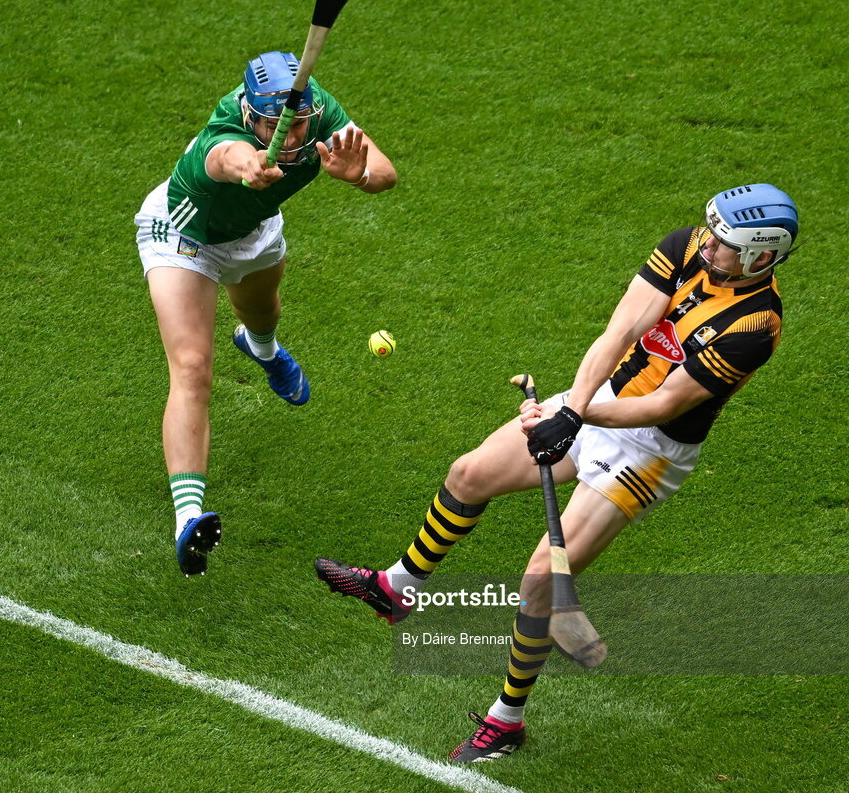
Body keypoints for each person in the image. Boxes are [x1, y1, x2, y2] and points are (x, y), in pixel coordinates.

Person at [315, 183, 799, 761]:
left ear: (762, 256)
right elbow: (618, 333)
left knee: (542, 576)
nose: (708, 246)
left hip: (649, 448)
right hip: (603, 395)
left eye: (724, 244)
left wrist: (574, 416)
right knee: (469, 474)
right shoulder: (685, 246)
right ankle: (397, 589)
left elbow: (664, 405)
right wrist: (571, 410)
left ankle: (506, 721)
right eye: (710, 233)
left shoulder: (754, 327)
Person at [135, 51, 396, 576]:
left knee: (263, 310)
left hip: (253, 232)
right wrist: (248, 164)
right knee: (191, 367)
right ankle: (189, 517)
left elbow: (385, 172)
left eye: (297, 123)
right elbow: (224, 158)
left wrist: (358, 175)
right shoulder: (225, 133)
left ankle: (261, 348)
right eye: (276, 127)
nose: (293, 137)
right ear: (251, 115)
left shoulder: (319, 110)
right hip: (183, 238)